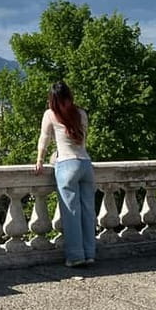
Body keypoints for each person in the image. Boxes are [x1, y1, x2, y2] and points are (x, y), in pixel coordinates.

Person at [35, 82, 95, 267]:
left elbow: (44, 139)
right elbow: (82, 139)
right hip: (86, 164)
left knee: (72, 214)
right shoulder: (81, 113)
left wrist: (40, 160)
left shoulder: (50, 114)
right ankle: (90, 253)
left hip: (67, 165)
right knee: (87, 212)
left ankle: (76, 256)